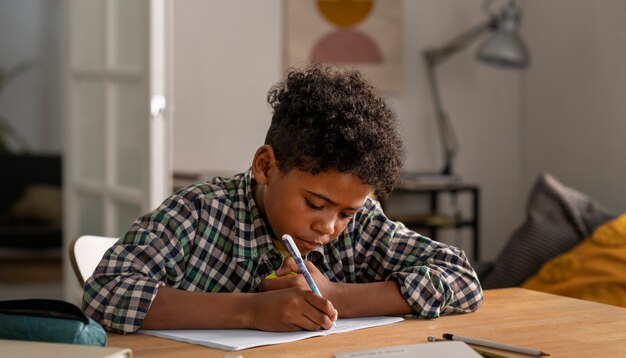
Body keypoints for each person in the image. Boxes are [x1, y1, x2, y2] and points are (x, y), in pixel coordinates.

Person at [83, 65, 483, 334]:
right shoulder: (197, 213)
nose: (328, 227)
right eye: (314, 203)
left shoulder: (361, 226)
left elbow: (463, 280)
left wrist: (336, 296)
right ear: (266, 167)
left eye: (345, 212)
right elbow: (105, 291)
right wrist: (250, 311)